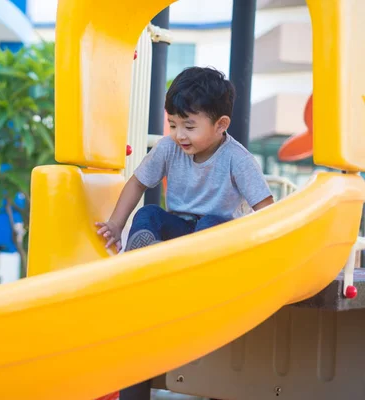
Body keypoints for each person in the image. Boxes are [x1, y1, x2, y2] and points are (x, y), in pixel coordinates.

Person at [95, 66, 275, 398]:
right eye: (174, 124)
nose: (180, 135)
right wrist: (116, 225)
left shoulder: (239, 159)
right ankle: (142, 259)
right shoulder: (168, 148)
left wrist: (263, 254)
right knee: (149, 213)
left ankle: (192, 272)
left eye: (189, 126)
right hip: (179, 230)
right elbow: (137, 182)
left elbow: (265, 208)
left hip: (216, 240)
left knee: (210, 225)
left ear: (221, 125)